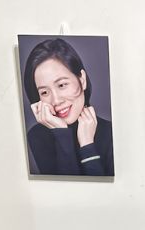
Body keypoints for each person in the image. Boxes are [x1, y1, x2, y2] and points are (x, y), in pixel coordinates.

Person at [23, 38, 114, 176]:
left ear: (82, 80)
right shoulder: (38, 136)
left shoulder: (111, 133)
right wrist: (62, 134)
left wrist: (87, 145)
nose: (56, 100)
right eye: (44, 92)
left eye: (62, 85)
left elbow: (101, 189)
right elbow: (65, 187)